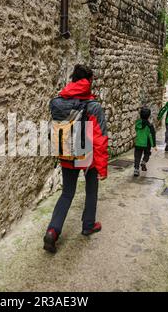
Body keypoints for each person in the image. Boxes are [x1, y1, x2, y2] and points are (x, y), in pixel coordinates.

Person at [44, 64, 108, 253]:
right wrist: (102, 168)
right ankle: (88, 225)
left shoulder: (57, 102)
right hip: (86, 155)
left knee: (67, 193)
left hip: (67, 153)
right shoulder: (93, 106)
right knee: (91, 190)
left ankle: (52, 231)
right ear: (88, 82)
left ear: (72, 80)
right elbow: (100, 139)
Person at [133, 107, 157, 177]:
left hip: (138, 142)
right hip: (147, 144)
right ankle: (144, 162)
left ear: (140, 115)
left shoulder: (137, 124)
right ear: (149, 116)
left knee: (137, 156)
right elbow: (152, 135)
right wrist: (154, 145)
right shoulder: (150, 126)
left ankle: (136, 170)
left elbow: (136, 130)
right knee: (147, 153)